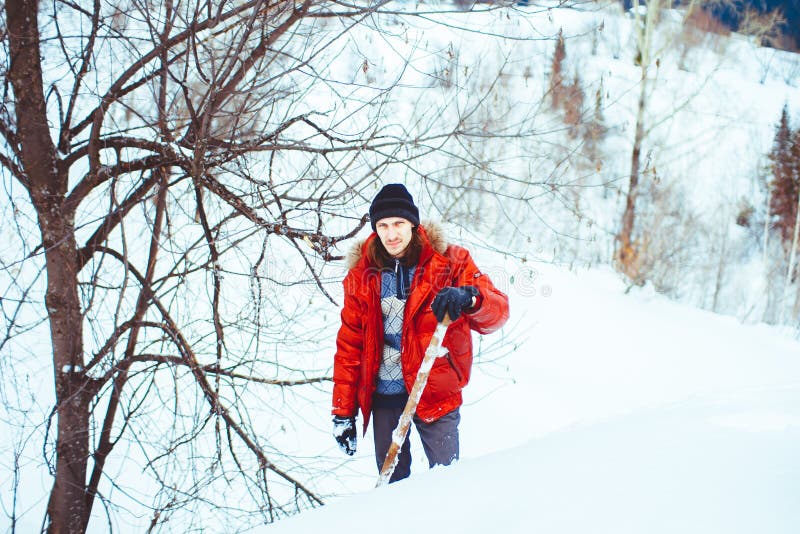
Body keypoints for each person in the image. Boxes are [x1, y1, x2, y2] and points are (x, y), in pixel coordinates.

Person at [331, 183, 509, 483]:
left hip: (435, 390)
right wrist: (343, 411)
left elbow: (498, 313)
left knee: (446, 479)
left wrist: (470, 298)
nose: (391, 234)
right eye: (383, 225)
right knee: (392, 486)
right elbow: (350, 345)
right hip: (384, 395)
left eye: (398, 224)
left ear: (413, 224)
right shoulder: (362, 273)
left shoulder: (450, 262)